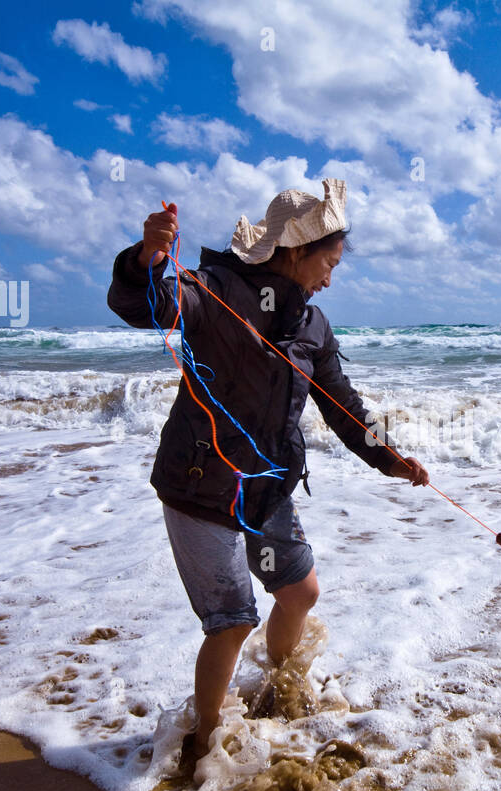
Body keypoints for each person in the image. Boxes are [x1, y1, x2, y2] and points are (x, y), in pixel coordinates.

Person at [106, 178, 428, 759]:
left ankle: (282, 687)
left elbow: (344, 406)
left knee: (300, 591)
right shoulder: (217, 290)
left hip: (266, 487)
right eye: (327, 263)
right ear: (296, 251)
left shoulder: (312, 325)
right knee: (231, 622)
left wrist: (391, 455)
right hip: (200, 485)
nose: (330, 278)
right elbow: (149, 303)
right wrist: (145, 260)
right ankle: (207, 742)